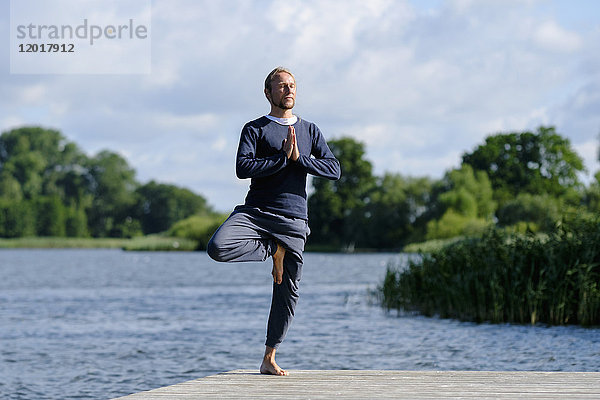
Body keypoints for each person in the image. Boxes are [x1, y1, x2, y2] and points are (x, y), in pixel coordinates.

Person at [206, 67, 341, 376]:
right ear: (268, 93)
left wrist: (299, 159)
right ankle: (272, 248)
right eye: (281, 86)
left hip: (294, 218)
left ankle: (269, 357)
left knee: (287, 291)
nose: (288, 90)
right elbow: (243, 167)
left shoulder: (310, 130)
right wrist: (282, 159)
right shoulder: (255, 128)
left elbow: (333, 169)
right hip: (256, 213)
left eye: (292, 85)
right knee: (218, 247)